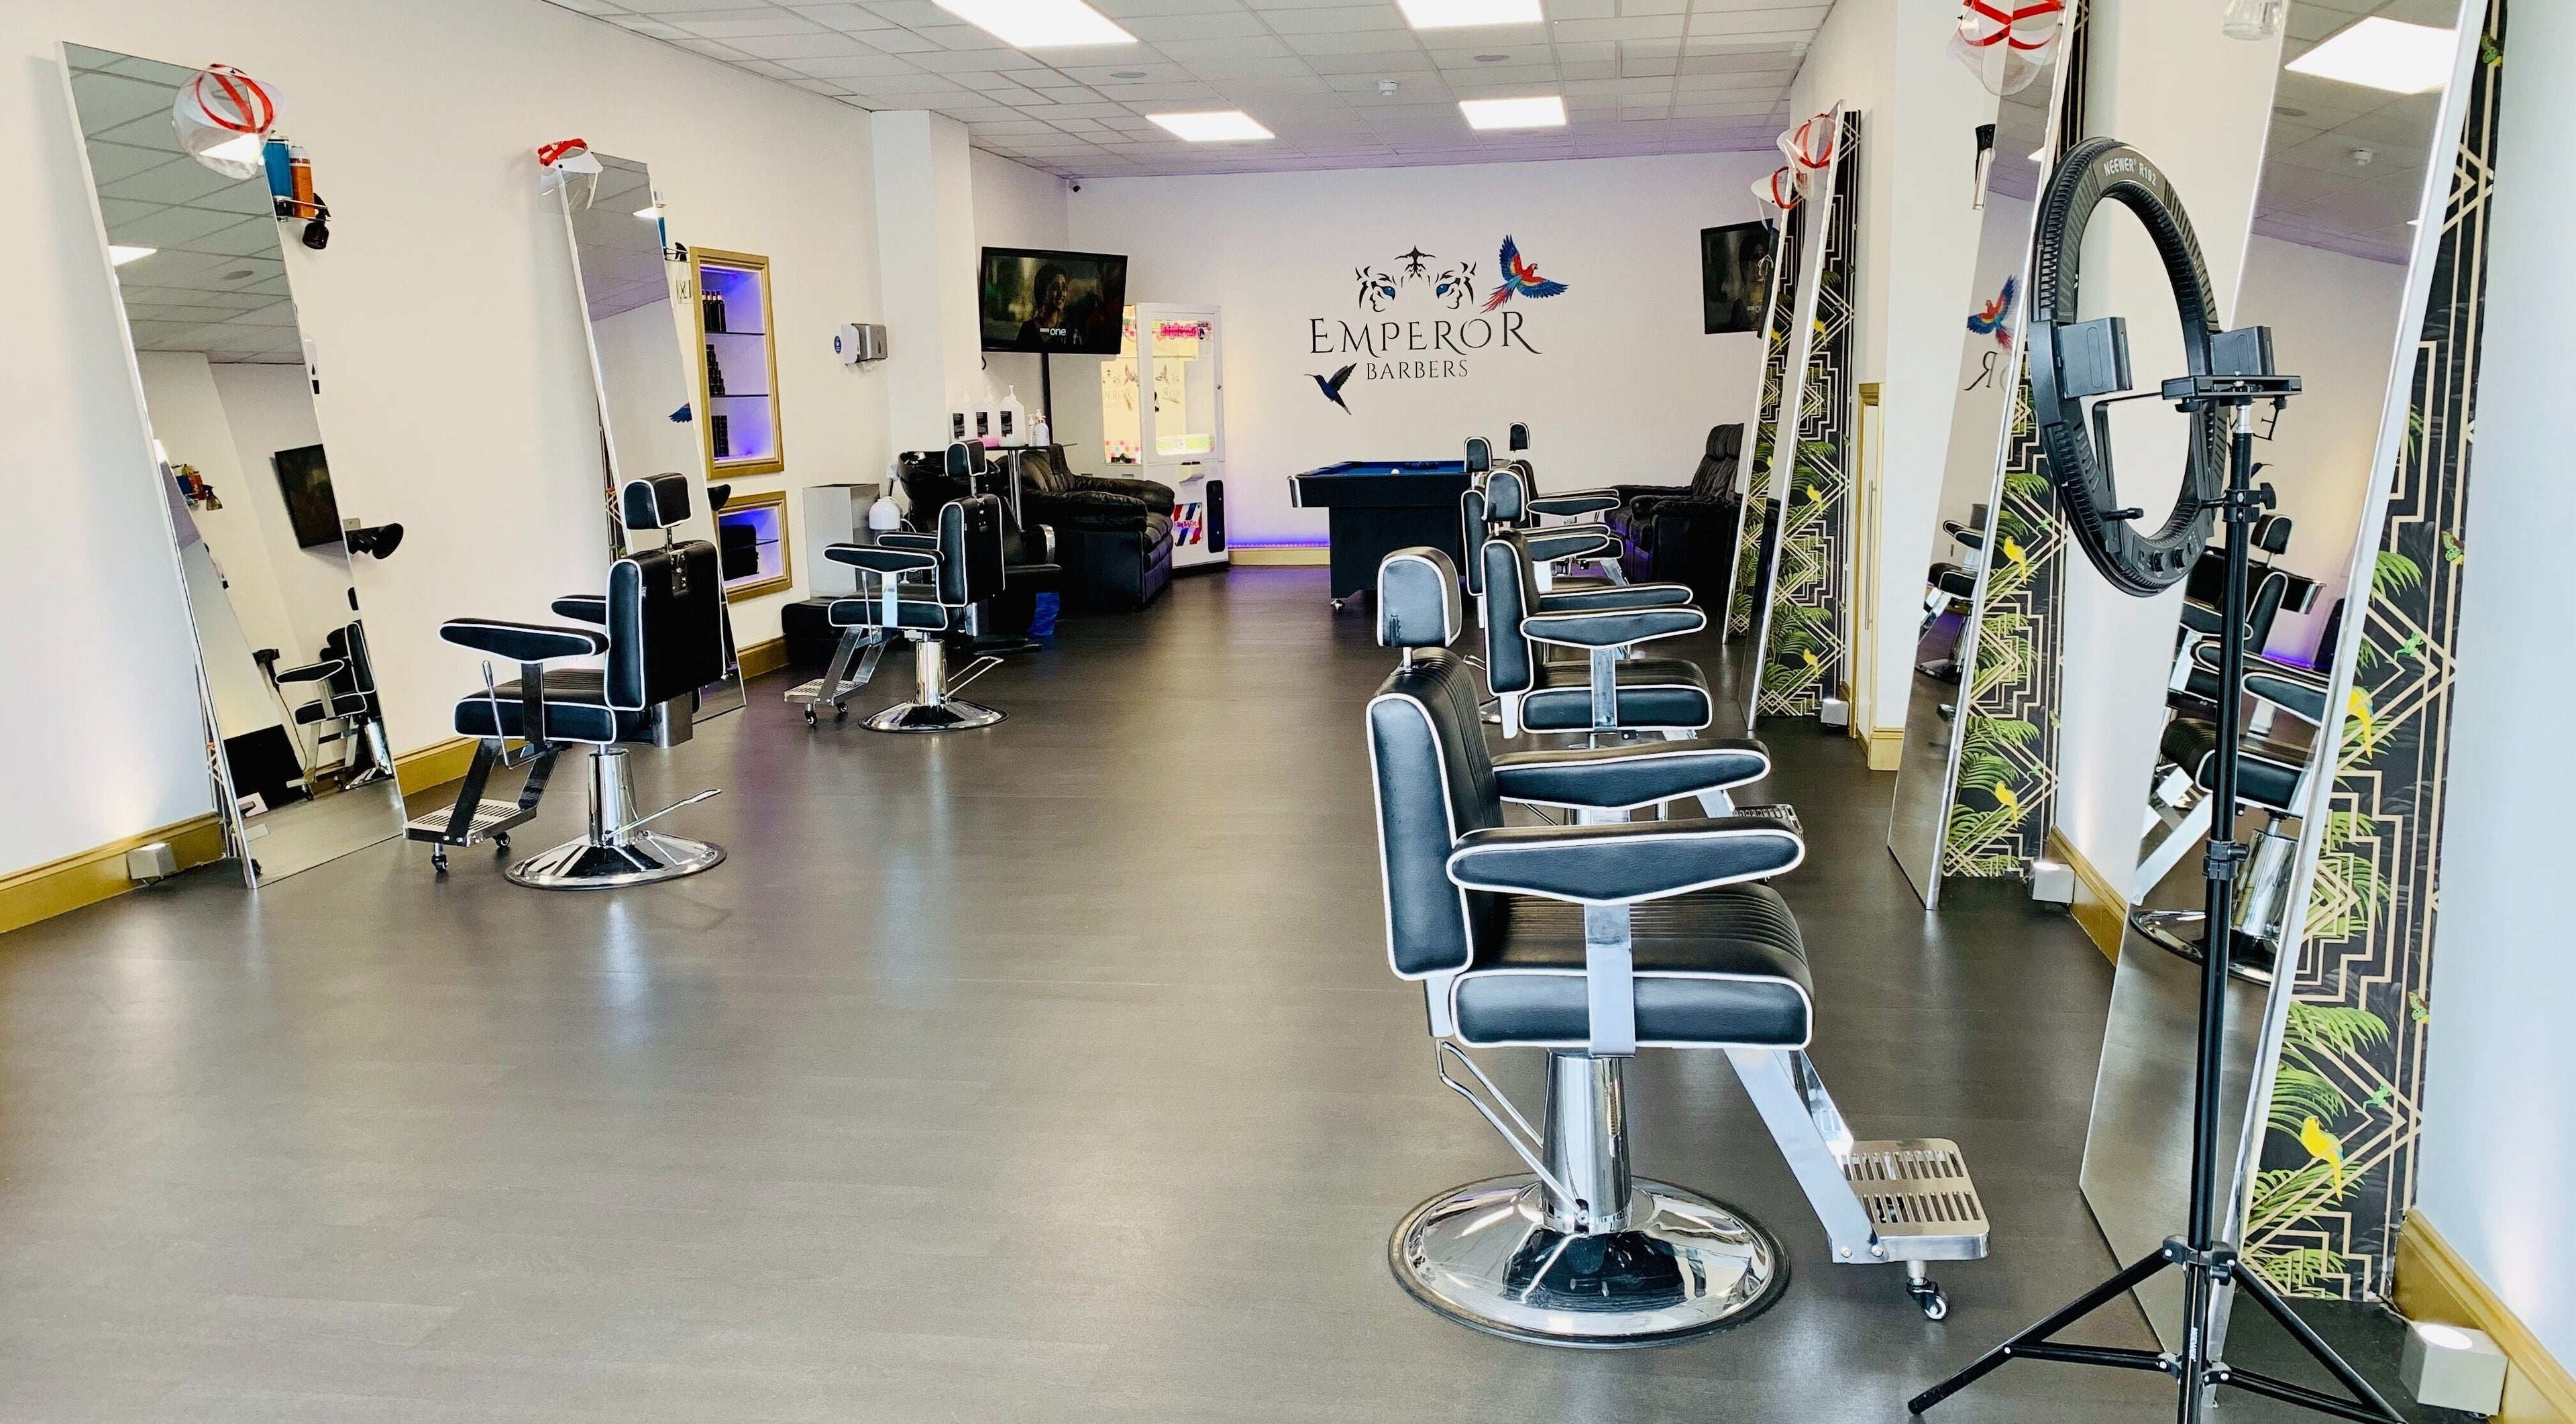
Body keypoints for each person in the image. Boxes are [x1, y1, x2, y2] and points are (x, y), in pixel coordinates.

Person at [1018, 263, 1071, 349]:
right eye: (1055, 287)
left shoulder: (1071, 333)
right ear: (1042, 292)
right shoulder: (1028, 329)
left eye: (1064, 288)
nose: (1061, 294)